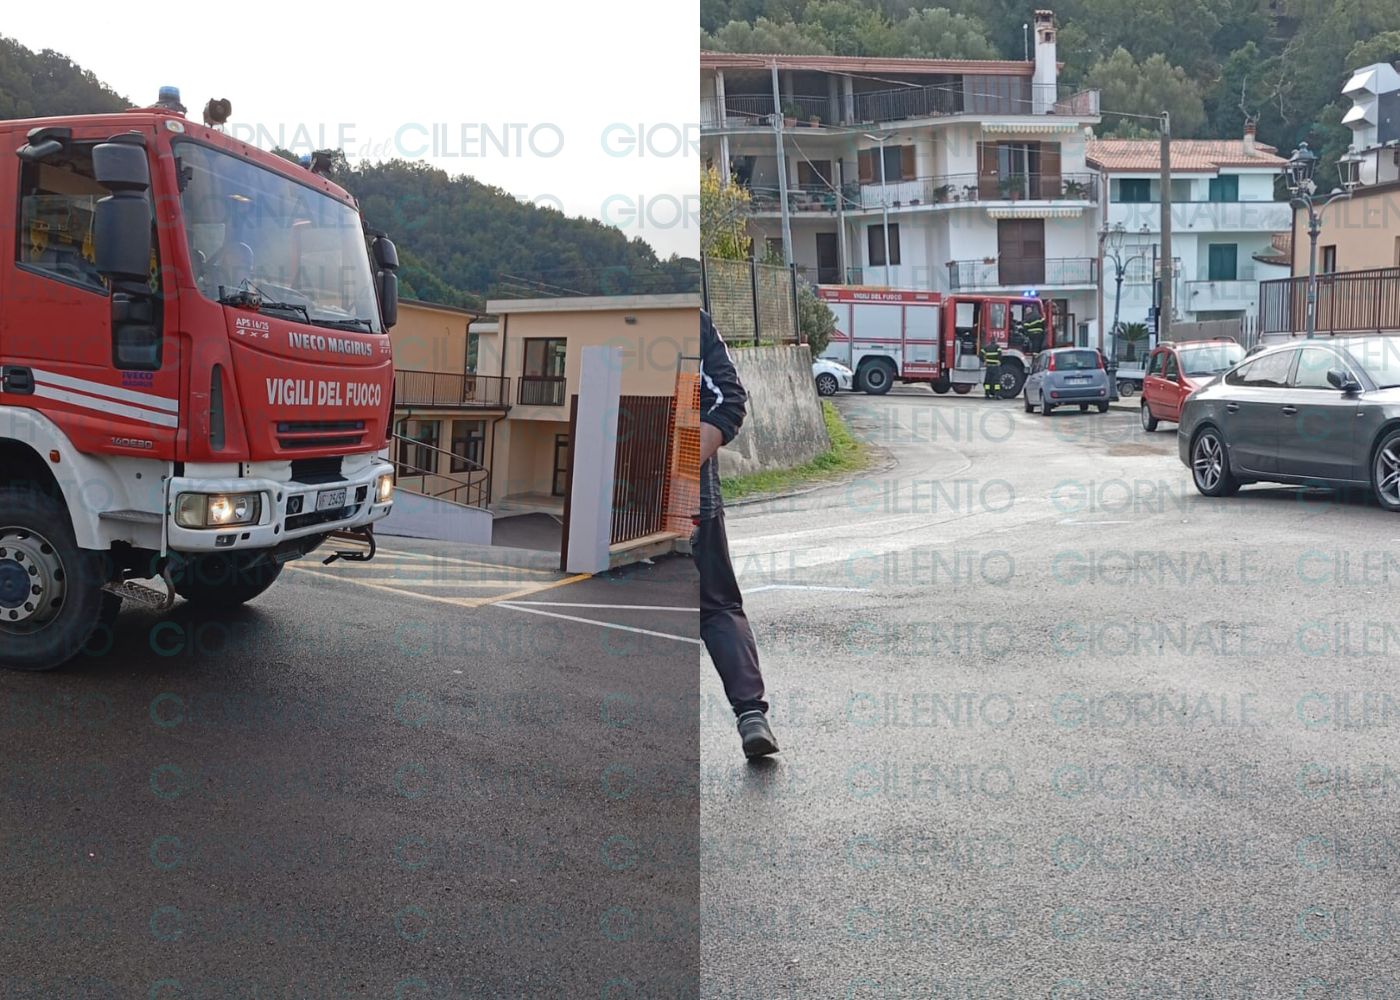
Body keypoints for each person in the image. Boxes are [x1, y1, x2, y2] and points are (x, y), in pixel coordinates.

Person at [697, 310, 778, 760]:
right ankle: (751, 716)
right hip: (691, 505)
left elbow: (728, 401)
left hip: (620, 507)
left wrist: (675, 467)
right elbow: (729, 400)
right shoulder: (694, 321)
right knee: (718, 607)